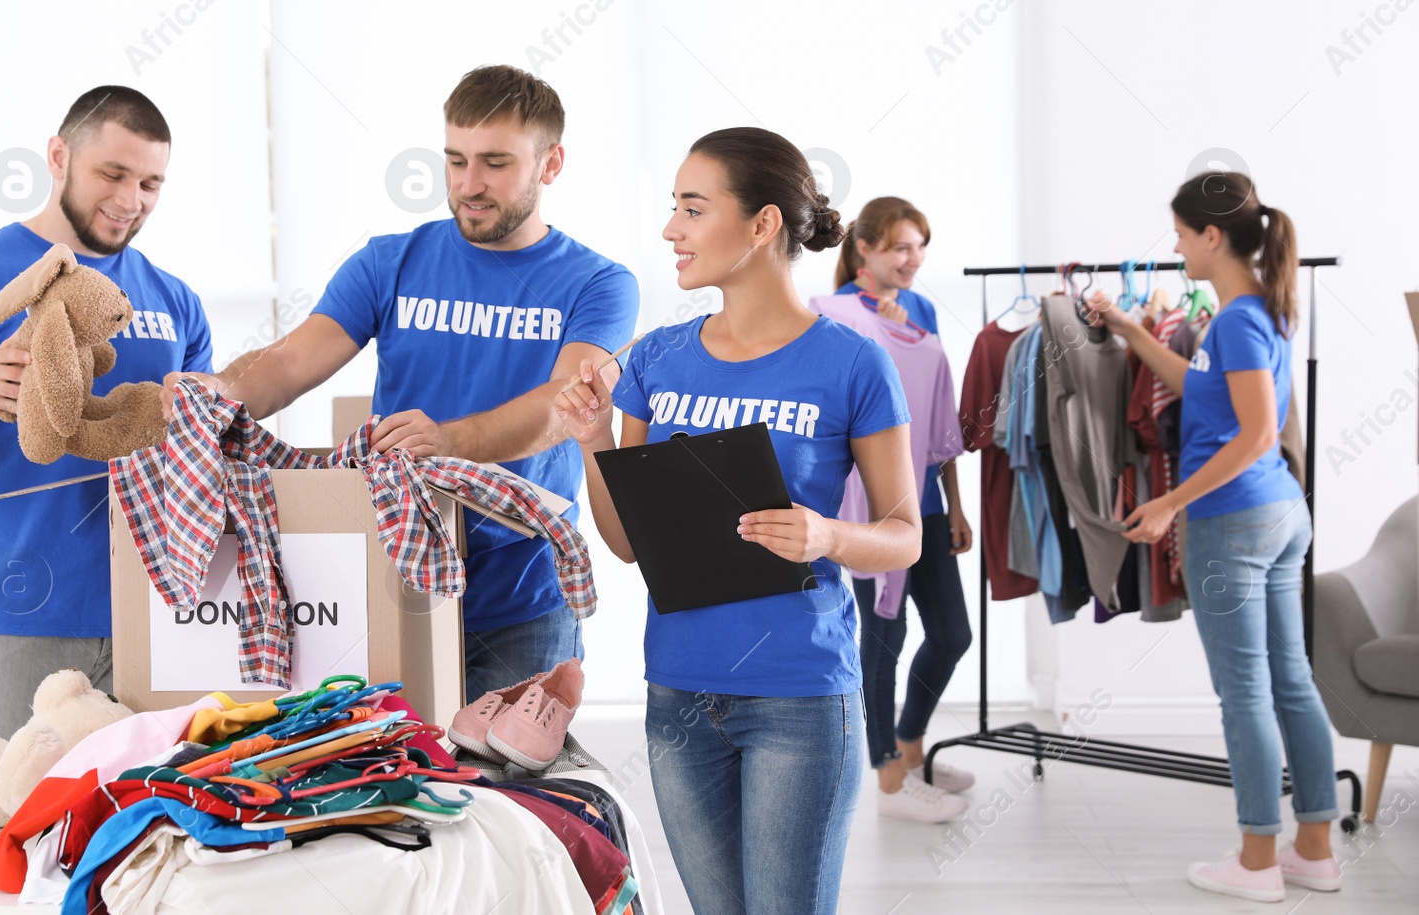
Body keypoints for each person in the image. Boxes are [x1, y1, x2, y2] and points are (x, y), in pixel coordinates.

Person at [164, 65, 639, 704]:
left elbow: (562, 406)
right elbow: (288, 362)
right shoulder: (390, 261)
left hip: (525, 600)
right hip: (397, 588)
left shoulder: (600, 284)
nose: (469, 184)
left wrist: (446, 439)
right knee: (401, 788)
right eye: (455, 160)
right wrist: (218, 388)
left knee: (517, 795)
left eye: (495, 163)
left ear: (551, 164)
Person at [556, 127, 921, 914]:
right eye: (673, 208)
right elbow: (626, 544)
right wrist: (592, 439)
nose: (671, 230)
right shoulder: (655, 359)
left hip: (800, 697)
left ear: (762, 225)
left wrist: (828, 535)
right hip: (679, 695)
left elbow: (905, 534)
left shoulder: (855, 363)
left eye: (693, 208)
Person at [0, 86, 212, 738]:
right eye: (112, 174)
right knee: (7, 828)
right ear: (59, 155)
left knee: (164, 829)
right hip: (17, 626)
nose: (130, 200)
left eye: (150, 182)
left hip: (163, 621)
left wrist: (206, 417)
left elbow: (208, 463)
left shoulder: (177, 301)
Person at [1090, 172, 1340, 902]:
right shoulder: (1255, 312)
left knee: (1246, 694)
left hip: (1234, 520)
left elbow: (1258, 431)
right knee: (1288, 679)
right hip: (1279, 515)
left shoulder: (1235, 320)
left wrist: (1169, 500)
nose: (1173, 246)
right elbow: (1205, 388)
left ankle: (1257, 860)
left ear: (1210, 235)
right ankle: (1313, 851)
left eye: (1178, 232)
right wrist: (1135, 331)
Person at [823, 195, 975, 822]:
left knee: (952, 633)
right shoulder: (833, 316)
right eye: (900, 248)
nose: (913, 260)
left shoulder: (923, 309)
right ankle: (888, 774)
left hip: (930, 499)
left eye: (920, 247)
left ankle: (910, 747)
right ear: (864, 249)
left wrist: (956, 504)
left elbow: (936, 413)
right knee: (883, 638)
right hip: (871, 507)